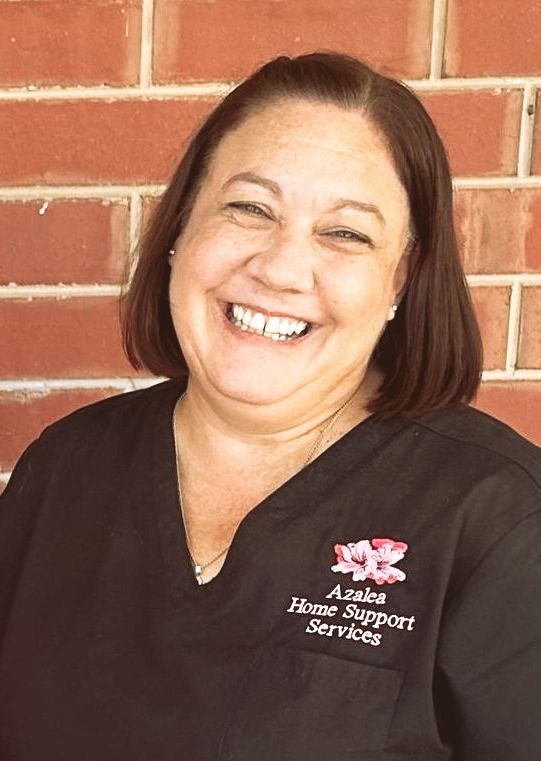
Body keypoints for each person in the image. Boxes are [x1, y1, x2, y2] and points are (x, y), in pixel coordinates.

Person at [0, 52, 540, 761]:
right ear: (180, 229)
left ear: (400, 280)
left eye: (345, 233)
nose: (282, 269)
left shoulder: (499, 516)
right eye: (250, 208)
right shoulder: (65, 468)